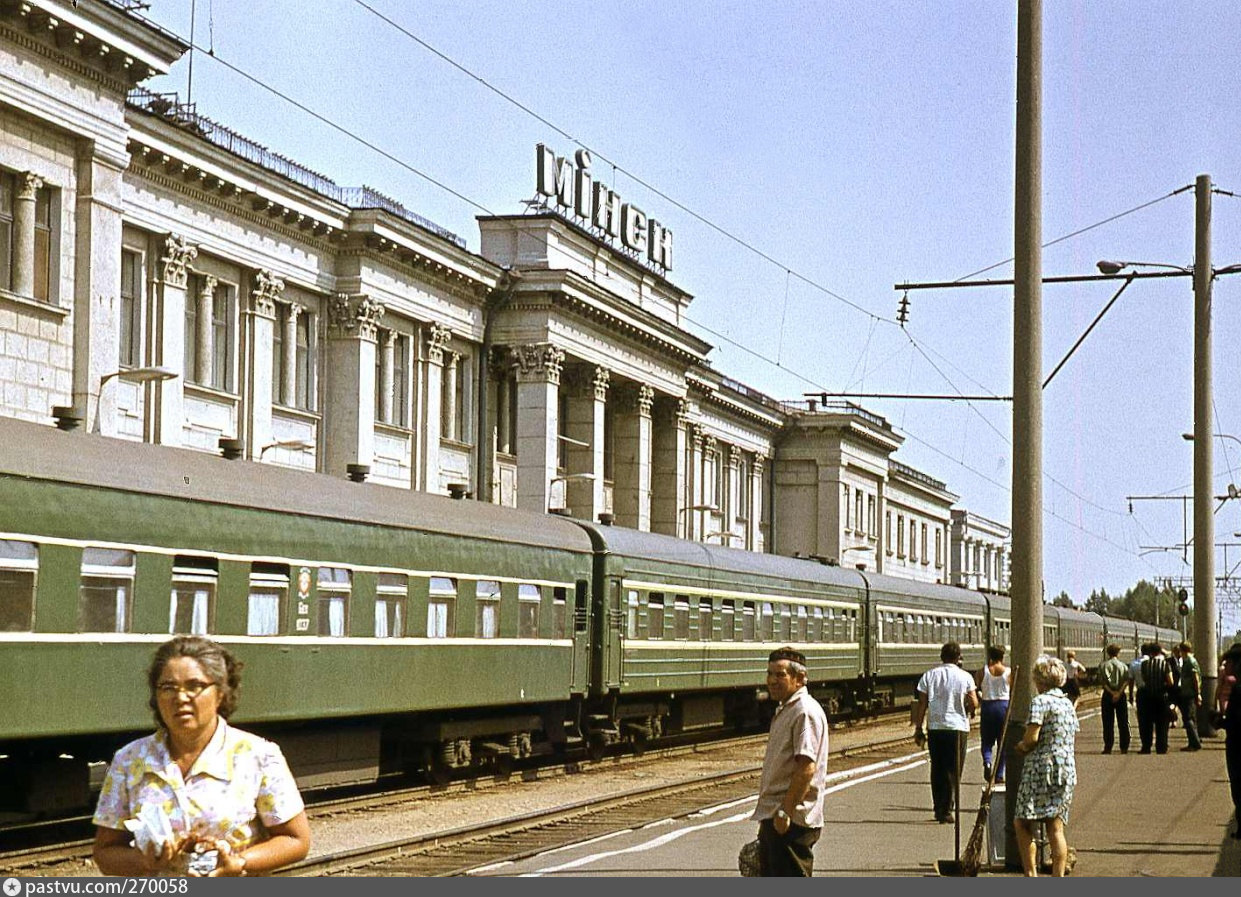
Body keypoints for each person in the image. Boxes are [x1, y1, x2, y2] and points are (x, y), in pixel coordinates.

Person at [93, 636, 311, 876]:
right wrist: (145, 861)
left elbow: (296, 840)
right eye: (168, 688)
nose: (180, 698)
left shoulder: (258, 756)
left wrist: (240, 863)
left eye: (195, 686)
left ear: (220, 693)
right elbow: (106, 853)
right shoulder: (130, 760)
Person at [751, 646, 828, 876]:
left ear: (800, 678)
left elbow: (806, 768)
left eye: (780, 675)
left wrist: (785, 812)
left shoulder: (804, 712)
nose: (772, 681)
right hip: (778, 816)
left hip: (790, 821)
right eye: (769, 674)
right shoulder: (788, 708)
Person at [1013, 654, 1080, 877]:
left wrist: (1021, 746)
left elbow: (1032, 738)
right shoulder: (1067, 704)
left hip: (1041, 770)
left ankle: (1031, 876)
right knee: (1055, 826)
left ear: (1039, 681)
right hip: (1066, 771)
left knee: (1022, 822)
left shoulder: (1040, 702)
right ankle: (1057, 878)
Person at [911, 641, 978, 823]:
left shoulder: (929, 676)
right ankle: (947, 809)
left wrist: (919, 727)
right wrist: (971, 710)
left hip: (936, 727)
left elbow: (922, 704)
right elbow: (974, 701)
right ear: (958, 658)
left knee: (937, 768)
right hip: (957, 728)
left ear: (942, 657)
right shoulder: (965, 677)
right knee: (954, 770)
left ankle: (938, 807)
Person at [976, 645, 1011, 782]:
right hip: (1004, 706)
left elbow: (976, 688)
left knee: (987, 740)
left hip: (988, 706)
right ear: (1002, 656)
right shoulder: (1008, 672)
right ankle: (999, 774)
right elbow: (1013, 690)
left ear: (990, 656)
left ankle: (987, 761)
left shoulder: (982, 671)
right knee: (1003, 742)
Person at [1137, 642, 1174, 755]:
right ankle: (1161, 747)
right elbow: (1171, 681)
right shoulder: (1165, 664)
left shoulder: (1144, 664)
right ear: (1159, 651)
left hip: (1148, 697)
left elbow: (1144, 678)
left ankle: (1146, 747)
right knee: (1162, 724)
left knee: (1147, 723)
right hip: (1161, 697)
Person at [1220, 643, 1241, 839]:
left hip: (1237, 744)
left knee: (1237, 783)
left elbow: (1236, 719)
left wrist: (1222, 723)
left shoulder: (1238, 689)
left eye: (1228, 663)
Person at [1098, 643, 1131, 755]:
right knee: (1123, 722)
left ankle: (1108, 747)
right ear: (1118, 653)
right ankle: (1124, 747)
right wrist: (1118, 693)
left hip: (1107, 695)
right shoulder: (1123, 666)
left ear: (1108, 653)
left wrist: (1111, 692)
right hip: (1121, 696)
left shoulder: (1103, 666)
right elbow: (1126, 681)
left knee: (1108, 723)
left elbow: (1103, 682)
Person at [1174, 641, 1202, 751]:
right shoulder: (1188, 661)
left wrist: (1198, 693)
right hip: (1188, 692)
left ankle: (1195, 743)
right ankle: (1193, 742)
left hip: (1189, 694)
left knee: (1188, 719)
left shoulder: (1190, 662)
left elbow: (1195, 678)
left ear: (1182, 650)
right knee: (1191, 719)